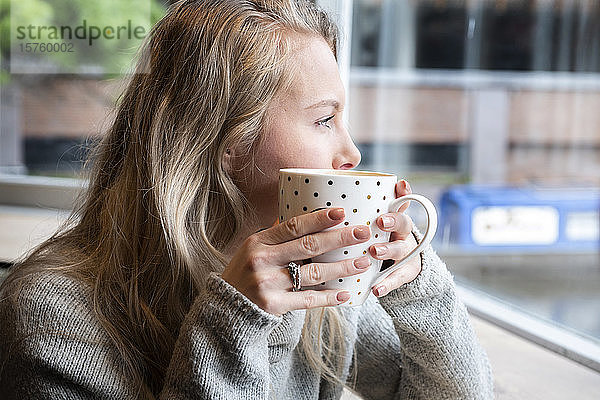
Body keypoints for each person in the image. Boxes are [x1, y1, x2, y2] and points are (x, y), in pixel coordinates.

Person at [0, 0, 494, 399]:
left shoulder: (314, 280)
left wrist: (419, 291)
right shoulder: (53, 317)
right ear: (225, 141)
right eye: (325, 119)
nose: (352, 152)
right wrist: (234, 320)